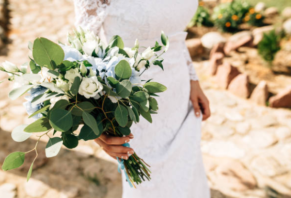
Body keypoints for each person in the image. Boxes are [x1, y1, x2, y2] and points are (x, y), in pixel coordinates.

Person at [73, 0, 211, 197]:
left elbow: (173, 32)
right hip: (134, 104)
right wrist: (92, 121)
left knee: (187, 174)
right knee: (149, 186)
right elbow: (82, 49)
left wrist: (192, 78)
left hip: (179, 95)